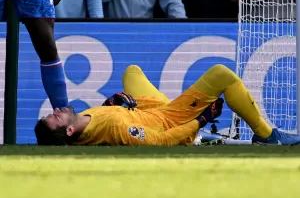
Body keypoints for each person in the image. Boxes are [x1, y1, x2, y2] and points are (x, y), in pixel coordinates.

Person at [35, 64, 300, 146]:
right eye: (55, 117)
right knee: (222, 75)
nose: (56, 110)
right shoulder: (116, 128)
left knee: (131, 73)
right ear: (69, 132)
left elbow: (105, 119)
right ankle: (268, 137)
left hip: (147, 110)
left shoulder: (84, 120)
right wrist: (201, 120)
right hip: (168, 119)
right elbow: (158, 142)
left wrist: (110, 103)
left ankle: (201, 130)